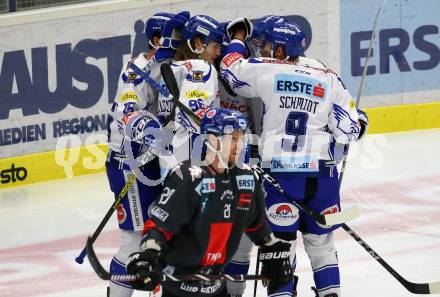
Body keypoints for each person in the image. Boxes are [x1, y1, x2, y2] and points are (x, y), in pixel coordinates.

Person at [220, 19, 369, 297]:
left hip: (281, 178)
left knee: (279, 248)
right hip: (323, 179)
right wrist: (361, 119)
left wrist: (238, 37)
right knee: (322, 246)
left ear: (279, 51)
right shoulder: (327, 75)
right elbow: (350, 130)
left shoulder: (268, 69)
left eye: (266, 45)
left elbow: (230, 70)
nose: (261, 48)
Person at [126, 108, 293, 297]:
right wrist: (149, 256)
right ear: (213, 139)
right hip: (179, 288)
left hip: (216, 286)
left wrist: (273, 249)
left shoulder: (246, 178)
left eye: (241, 138)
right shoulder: (189, 177)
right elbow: (159, 226)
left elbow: (258, 226)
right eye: (233, 138)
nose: (238, 146)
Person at [105, 11, 190, 297]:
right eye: (175, 35)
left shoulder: (171, 65)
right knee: (133, 239)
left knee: (159, 231)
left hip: (151, 162)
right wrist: (155, 133)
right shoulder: (136, 71)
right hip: (129, 163)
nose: (181, 40)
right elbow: (127, 113)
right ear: (157, 38)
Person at [157, 15, 224, 171]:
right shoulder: (201, 67)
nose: (219, 52)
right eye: (215, 46)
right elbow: (194, 113)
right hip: (191, 162)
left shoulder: (172, 67)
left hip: (168, 160)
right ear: (198, 44)